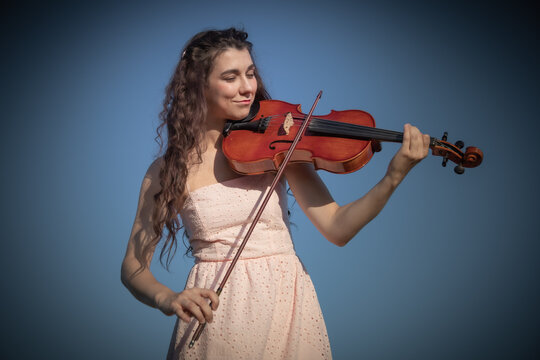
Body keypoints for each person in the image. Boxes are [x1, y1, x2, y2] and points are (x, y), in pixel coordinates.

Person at [121, 28, 430, 359]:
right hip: (216, 312)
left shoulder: (279, 144)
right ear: (198, 85)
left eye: (250, 74)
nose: (247, 88)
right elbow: (133, 266)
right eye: (231, 77)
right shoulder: (168, 170)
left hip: (286, 302)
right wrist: (168, 299)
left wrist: (393, 177)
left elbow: (338, 227)